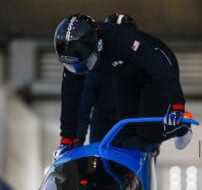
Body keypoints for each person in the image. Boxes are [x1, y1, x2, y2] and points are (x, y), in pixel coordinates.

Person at [53, 13, 192, 158]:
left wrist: (177, 103)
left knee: (148, 133)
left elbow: (160, 66)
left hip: (154, 71)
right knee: (126, 131)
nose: (80, 70)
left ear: (98, 46)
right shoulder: (73, 55)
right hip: (125, 75)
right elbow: (71, 97)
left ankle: (182, 127)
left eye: (85, 64)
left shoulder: (121, 39)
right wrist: (66, 140)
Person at [76, 14, 138, 145]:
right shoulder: (95, 69)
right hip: (103, 132)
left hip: (133, 129)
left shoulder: (143, 65)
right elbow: (83, 107)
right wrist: (77, 140)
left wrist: (155, 139)